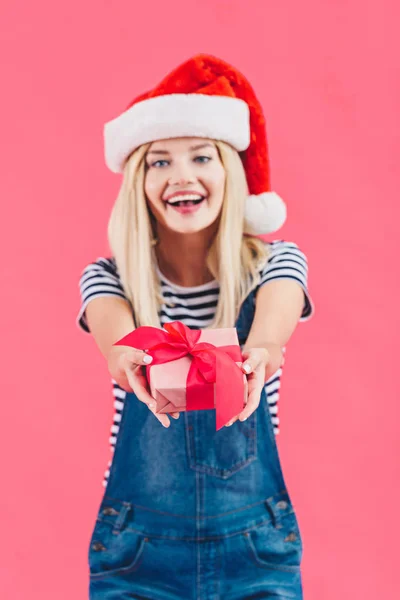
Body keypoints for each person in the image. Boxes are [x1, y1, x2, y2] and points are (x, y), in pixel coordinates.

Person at [77, 54, 314, 600]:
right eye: (159, 162)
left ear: (228, 171)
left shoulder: (273, 266)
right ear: (139, 182)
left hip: (255, 547)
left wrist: (259, 353)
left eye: (200, 157)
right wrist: (128, 360)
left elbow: (273, 329)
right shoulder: (110, 281)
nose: (181, 176)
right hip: (138, 551)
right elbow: (115, 341)